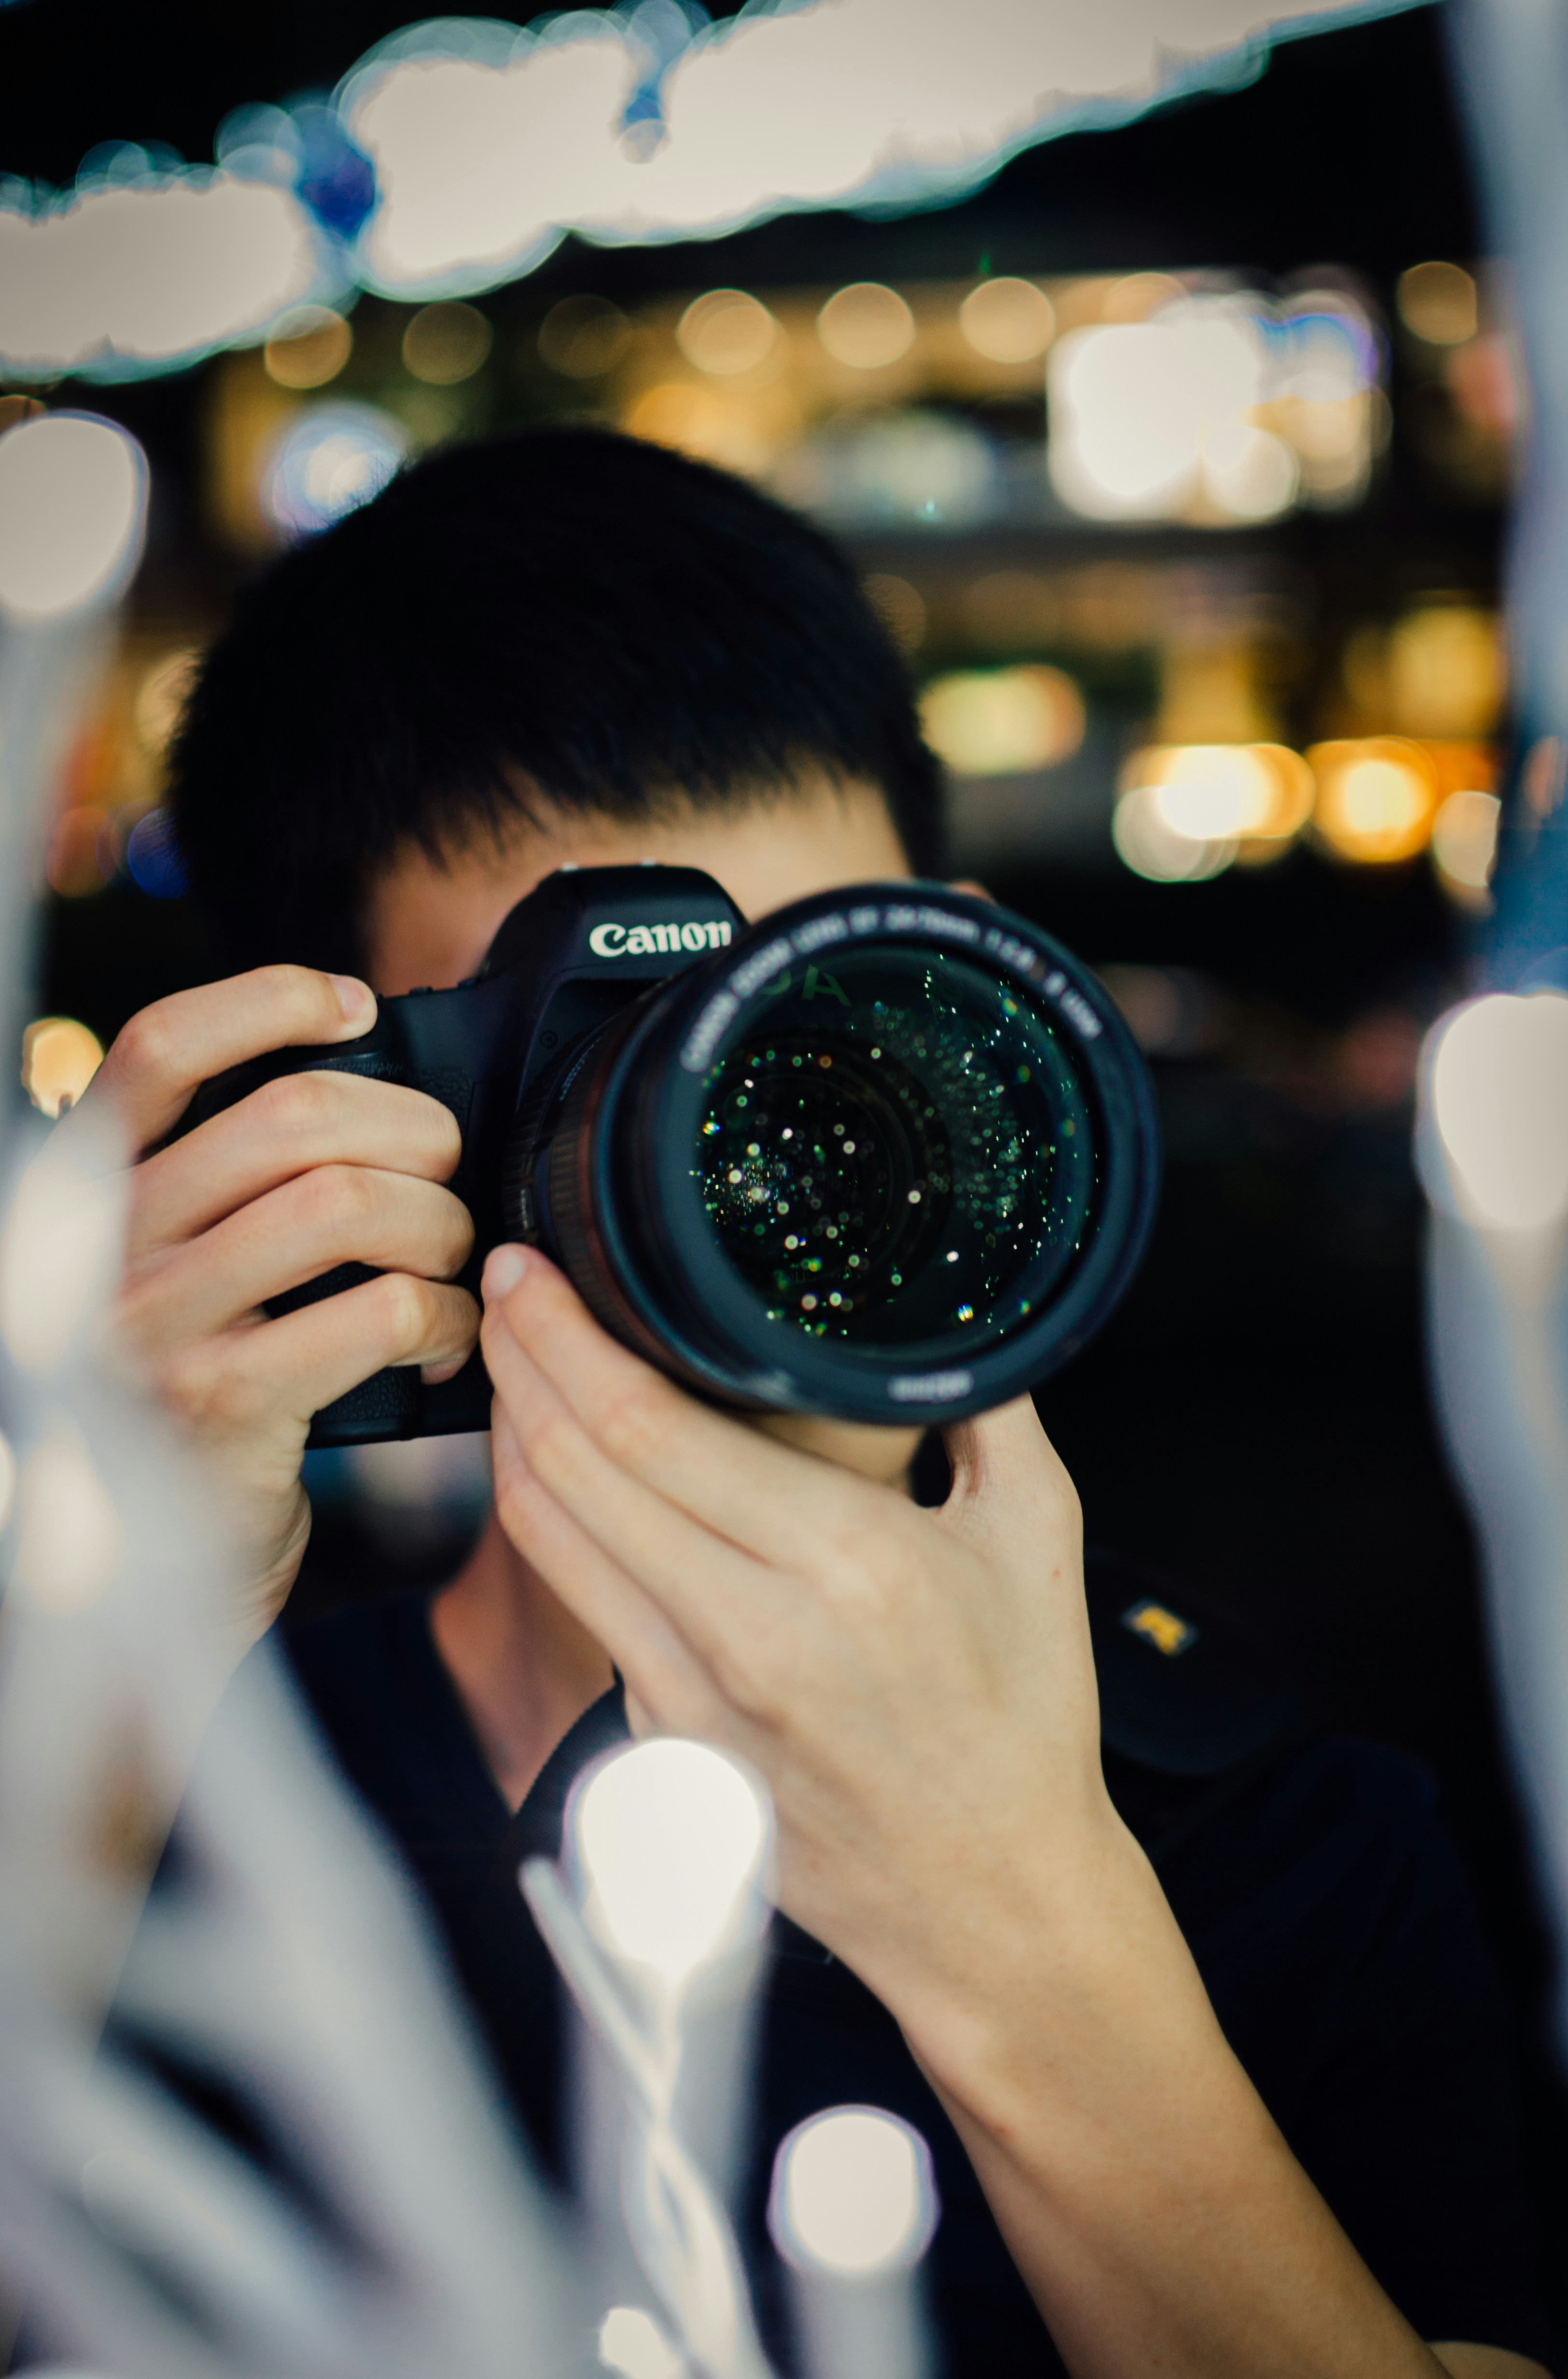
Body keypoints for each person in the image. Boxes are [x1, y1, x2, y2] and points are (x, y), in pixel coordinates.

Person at [92, 428, 1552, 2377]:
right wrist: (101, 1645)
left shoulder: (1300, 1838)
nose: (728, 1143)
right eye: (588, 1057)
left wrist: (1008, 1909)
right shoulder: (172, 1811)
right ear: (334, 1125)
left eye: (805, 993)